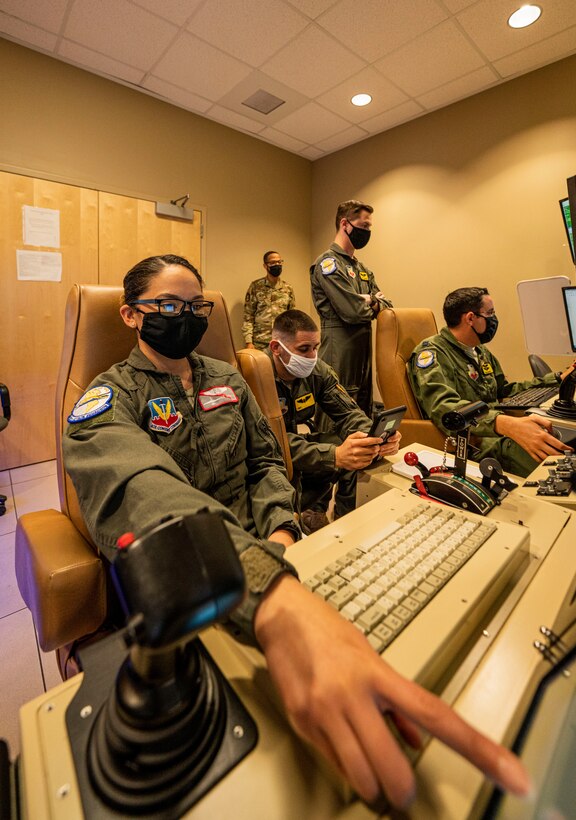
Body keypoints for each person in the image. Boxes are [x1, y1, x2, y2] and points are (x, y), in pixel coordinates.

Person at [64, 257, 530, 811]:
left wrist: (282, 534)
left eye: (195, 306)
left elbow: (265, 464)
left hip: (274, 556)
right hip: (193, 582)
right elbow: (145, 489)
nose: (185, 316)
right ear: (131, 315)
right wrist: (263, 581)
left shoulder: (227, 378)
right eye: (168, 305)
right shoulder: (107, 399)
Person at [409, 286, 576, 477]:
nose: (494, 319)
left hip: (493, 427)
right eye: (489, 313)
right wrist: (505, 424)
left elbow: (504, 390)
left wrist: (557, 378)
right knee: (550, 458)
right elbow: (445, 408)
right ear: (470, 318)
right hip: (472, 440)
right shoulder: (432, 353)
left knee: (561, 433)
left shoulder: (479, 350)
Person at [268, 309, 401, 532]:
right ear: (276, 348)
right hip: (265, 456)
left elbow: (348, 413)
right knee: (336, 452)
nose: (312, 356)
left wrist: (374, 436)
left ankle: (334, 516)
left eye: (316, 347)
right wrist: (334, 455)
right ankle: (295, 515)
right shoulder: (256, 375)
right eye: (304, 349)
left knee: (355, 444)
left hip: (292, 443)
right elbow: (268, 442)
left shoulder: (317, 371)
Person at [310, 200, 392, 418]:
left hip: (362, 349)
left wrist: (369, 300)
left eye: (369, 227)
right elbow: (353, 312)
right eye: (364, 226)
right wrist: (373, 303)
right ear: (345, 224)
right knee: (338, 412)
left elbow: (388, 308)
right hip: (340, 349)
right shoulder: (328, 264)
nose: (367, 232)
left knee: (362, 411)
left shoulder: (362, 269)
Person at [243, 250, 295, 350]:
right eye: (273, 262)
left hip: (281, 342)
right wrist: (248, 342)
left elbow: (291, 317)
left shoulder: (288, 288)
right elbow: (248, 316)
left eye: (279, 262)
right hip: (259, 343)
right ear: (265, 266)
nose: (277, 265)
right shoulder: (256, 286)